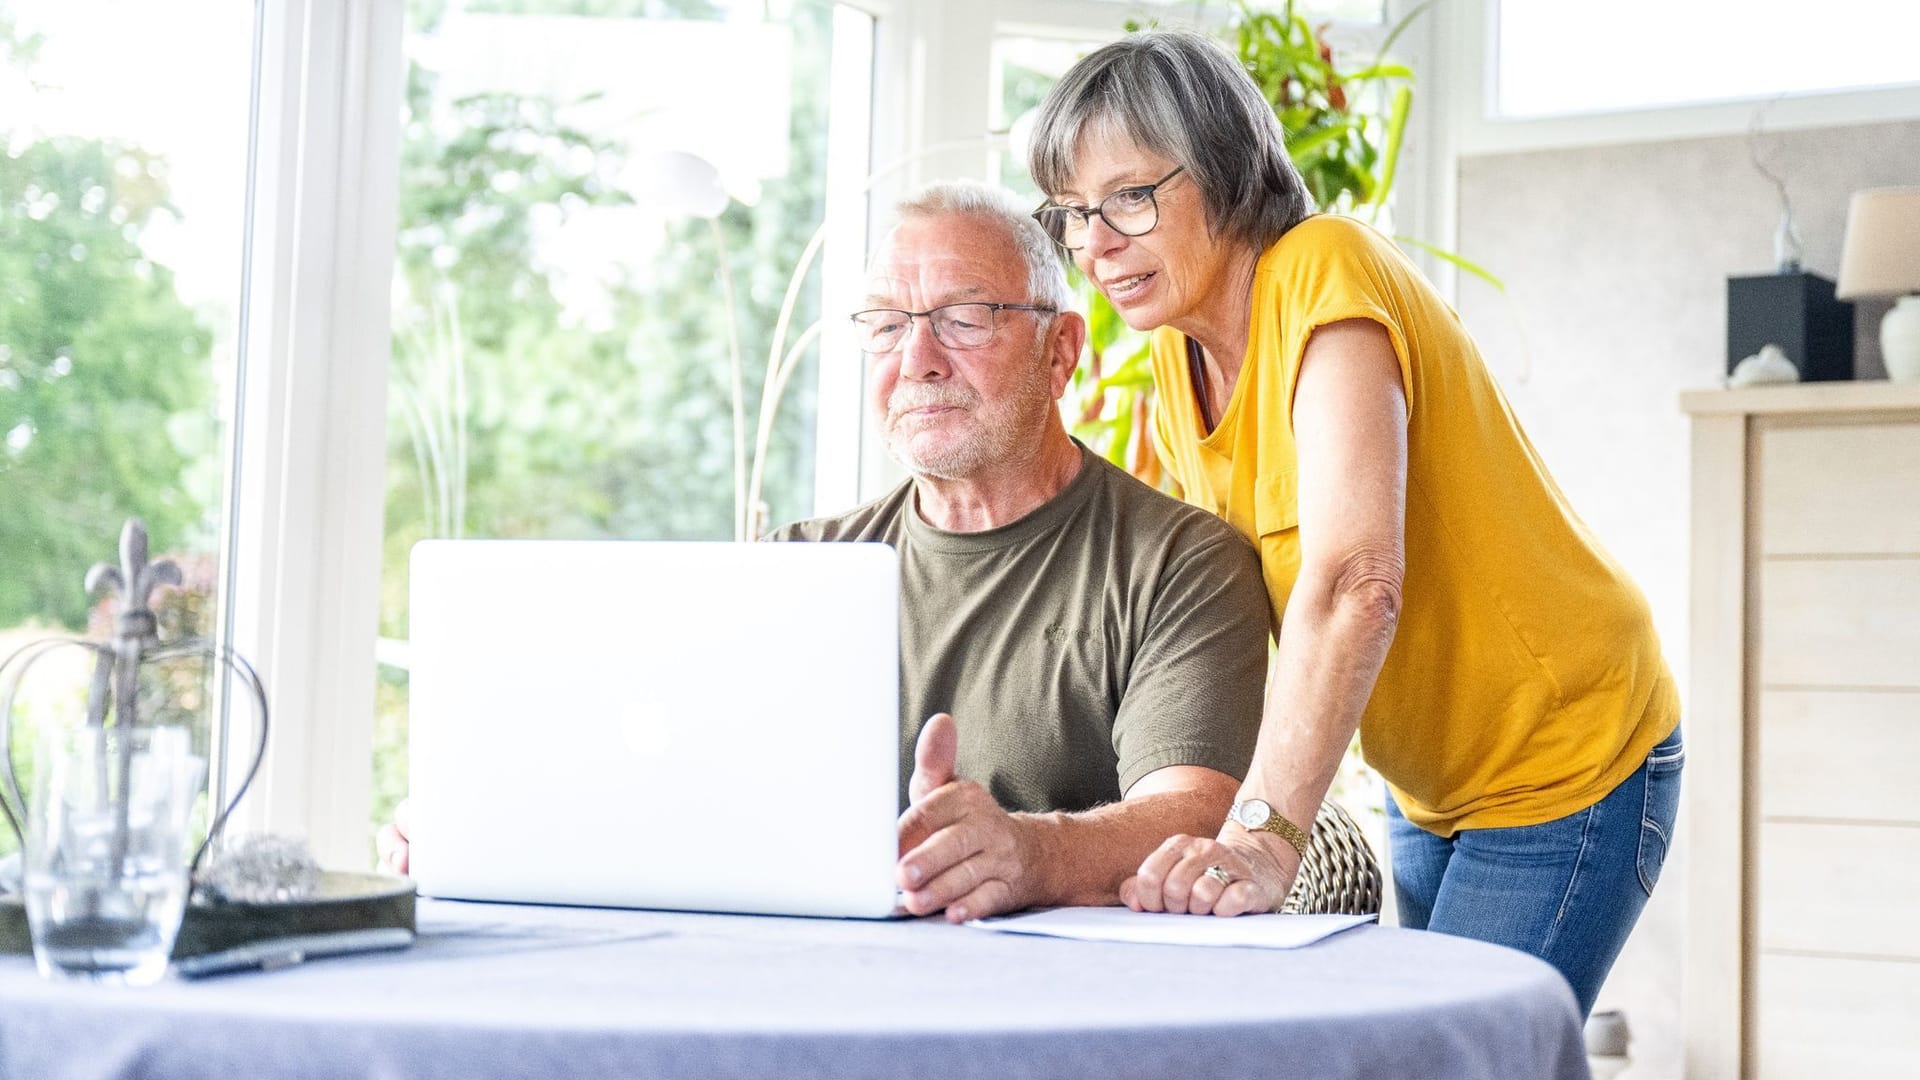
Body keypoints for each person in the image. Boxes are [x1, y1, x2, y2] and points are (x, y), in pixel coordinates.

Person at [380, 180, 1274, 925]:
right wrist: (493, 822)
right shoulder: (793, 569)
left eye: (964, 318)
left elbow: (1197, 813)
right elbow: (668, 784)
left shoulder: (1179, 562)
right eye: (886, 325)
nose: (917, 358)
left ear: (1060, 350)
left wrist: (1029, 851)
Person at [1025, 30, 1682, 1017]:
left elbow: (1353, 581)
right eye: (1071, 213)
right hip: (1433, 781)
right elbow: (1181, 601)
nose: (1092, 244)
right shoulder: (1177, 357)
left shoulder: (1321, 273)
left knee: (1461, 1049)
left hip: (1565, 754)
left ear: (1222, 168)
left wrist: (1262, 836)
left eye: (1128, 197)